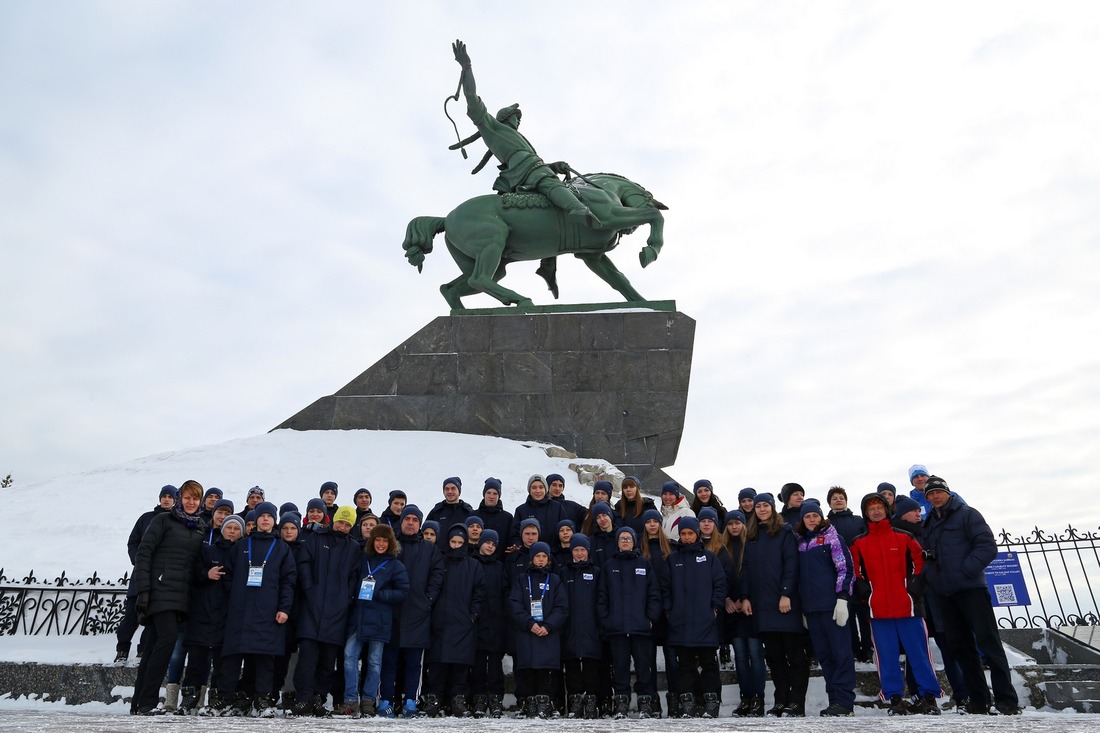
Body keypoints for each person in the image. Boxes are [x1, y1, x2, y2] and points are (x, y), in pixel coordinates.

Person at [451, 39, 601, 228]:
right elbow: (472, 98)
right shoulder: (493, 128)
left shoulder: (518, 138)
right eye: (516, 117)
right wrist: (467, 66)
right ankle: (579, 210)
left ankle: (550, 255)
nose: (518, 121)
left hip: (531, 168)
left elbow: (532, 164)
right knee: (550, 184)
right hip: (526, 170)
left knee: (547, 190)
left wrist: (554, 166)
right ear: (506, 117)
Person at [921, 476, 1020, 715]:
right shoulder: (928, 523)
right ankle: (978, 700)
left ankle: (1006, 700)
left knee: (989, 643)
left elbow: (987, 547)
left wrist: (966, 570)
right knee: (961, 648)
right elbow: (928, 556)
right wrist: (933, 578)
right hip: (945, 593)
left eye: (938, 492)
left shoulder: (967, 514)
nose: (935, 496)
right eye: (930, 494)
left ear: (947, 492)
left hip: (971, 589)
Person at [849, 492, 941, 715]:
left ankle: (928, 697)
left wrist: (914, 591)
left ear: (887, 510)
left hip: (908, 608)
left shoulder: (905, 537)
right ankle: (895, 699)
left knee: (919, 654)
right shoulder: (859, 543)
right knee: (886, 656)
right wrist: (867, 595)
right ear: (866, 514)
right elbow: (854, 573)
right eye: (871, 509)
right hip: (878, 610)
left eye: (879, 507)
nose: (876, 511)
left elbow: (921, 564)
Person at [130, 480, 206, 715]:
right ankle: (149, 702)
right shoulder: (163, 520)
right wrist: (143, 590)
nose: (191, 502)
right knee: (166, 641)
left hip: (180, 596)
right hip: (159, 591)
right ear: (178, 498)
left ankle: (139, 703)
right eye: (187, 497)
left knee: (154, 646)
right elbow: (144, 553)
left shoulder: (199, 527)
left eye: (195, 498)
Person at [216, 501, 297, 717]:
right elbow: (228, 575)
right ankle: (224, 699)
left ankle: (262, 701)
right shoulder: (242, 546)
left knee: (264, 660)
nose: (265, 519)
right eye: (262, 516)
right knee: (232, 658)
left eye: (270, 516)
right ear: (256, 519)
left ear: (274, 520)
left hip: (268, 612)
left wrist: (284, 608)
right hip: (240, 610)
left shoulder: (282, 549)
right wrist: (234, 596)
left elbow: (289, 581)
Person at [740, 492, 807, 717]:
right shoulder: (751, 536)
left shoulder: (785, 532)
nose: (761, 509)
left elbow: (792, 564)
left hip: (785, 604)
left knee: (795, 657)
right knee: (775, 658)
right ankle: (781, 700)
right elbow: (746, 570)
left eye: (765, 505)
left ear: (772, 508)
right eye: (758, 506)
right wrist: (746, 596)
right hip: (763, 606)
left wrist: (786, 593)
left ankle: (797, 702)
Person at [380, 505, 445, 719]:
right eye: (407, 518)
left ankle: (410, 701)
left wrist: (428, 600)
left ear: (419, 523)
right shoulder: (391, 545)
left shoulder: (429, 548)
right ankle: (386, 701)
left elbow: (437, 575)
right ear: (401, 521)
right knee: (389, 661)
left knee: (413, 663)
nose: (410, 522)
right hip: (392, 612)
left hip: (418, 613)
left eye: (414, 520)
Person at [297, 505, 361, 718]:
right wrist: (309, 588)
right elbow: (304, 563)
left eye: (347, 524)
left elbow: (354, 575)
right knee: (307, 657)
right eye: (340, 522)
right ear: (333, 521)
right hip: (312, 607)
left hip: (337, 611)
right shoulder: (316, 539)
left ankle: (318, 698)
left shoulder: (353, 547)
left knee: (327, 660)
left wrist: (347, 597)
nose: (342, 526)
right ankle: (303, 698)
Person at [794, 501, 857, 717]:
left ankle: (845, 701)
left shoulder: (832, 538)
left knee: (841, 654)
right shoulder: (801, 543)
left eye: (815, 515)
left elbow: (845, 568)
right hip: (812, 609)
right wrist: (803, 607)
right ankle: (834, 700)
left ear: (821, 517)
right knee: (825, 656)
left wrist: (842, 598)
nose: (812, 520)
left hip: (833, 606)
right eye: (807, 516)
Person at [178, 514, 243, 715]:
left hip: (227, 617)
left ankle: (217, 699)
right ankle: (189, 699)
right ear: (221, 529)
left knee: (222, 664)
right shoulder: (207, 551)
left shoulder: (243, 554)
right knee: (196, 662)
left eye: (236, 528)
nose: (231, 531)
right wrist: (207, 574)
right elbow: (192, 574)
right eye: (228, 527)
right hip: (202, 614)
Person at [342, 524, 409, 719]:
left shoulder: (396, 565)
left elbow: (403, 591)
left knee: (374, 662)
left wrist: (382, 594)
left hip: (380, 619)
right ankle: (351, 700)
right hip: (359, 617)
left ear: (390, 543)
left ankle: (369, 701)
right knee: (349, 656)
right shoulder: (364, 560)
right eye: (377, 540)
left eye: (384, 541)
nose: (380, 544)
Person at [664, 516, 726, 718]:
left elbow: (720, 584)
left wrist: (715, 608)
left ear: (697, 534)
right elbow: (664, 588)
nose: (687, 537)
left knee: (709, 663)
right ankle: (688, 702)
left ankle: (711, 701)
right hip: (680, 622)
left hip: (705, 621)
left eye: (690, 533)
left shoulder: (709, 558)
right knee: (686, 665)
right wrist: (670, 611)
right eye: (683, 534)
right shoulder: (672, 560)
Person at [421, 523, 485, 717]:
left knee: (460, 666)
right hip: (440, 621)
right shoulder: (439, 561)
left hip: (464, 623)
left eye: (460, 542)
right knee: (437, 664)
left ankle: (458, 699)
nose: (456, 545)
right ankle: (434, 698)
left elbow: (479, 593)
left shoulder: (473, 565)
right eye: (453, 541)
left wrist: (472, 615)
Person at [598, 527, 661, 719]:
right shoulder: (609, 566)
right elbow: (602, 597)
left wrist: (650, 619)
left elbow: (654, 595)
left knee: (644, 668)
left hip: (640, 629)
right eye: (622, 538)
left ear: (634, 541)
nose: (625, 541)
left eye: (628, 538)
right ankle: (621, 705)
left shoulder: (644, 564)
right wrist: (607, 620)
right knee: (620, 668)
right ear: (617, 542)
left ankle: (645, 704)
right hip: (617, 629)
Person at [116, 485, 177, 665]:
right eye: (164, 496)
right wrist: (139, 561)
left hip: (161, 578)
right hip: (141, 575)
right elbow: (133, 542)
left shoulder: (175, 520)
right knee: (131, 616)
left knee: (152, 618)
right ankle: (122, 649)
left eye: (170, 496)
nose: (166, 499)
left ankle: (143, 651)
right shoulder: (146, 518)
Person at [508, 541, 569, 719]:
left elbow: (562, 607)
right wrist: (529, 623)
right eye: (537, 556)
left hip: (547, 633)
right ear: (531, 559)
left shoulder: (555, 580)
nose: (541, 560)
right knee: (526, 670)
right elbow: (514, 604)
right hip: (527, 632)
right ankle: (528, 703)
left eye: (544, 557)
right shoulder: (521, 579)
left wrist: (548, 625)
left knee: (545, 671)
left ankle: (546, 702)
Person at [724, 510, 765, 717]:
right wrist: (728, 599)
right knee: (740, 655)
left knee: (755, 653)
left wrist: (745, 597)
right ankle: (746, 697)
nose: (733, 527)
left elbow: (755, 574)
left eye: (737, 523)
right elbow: (720, 577)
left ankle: (758, 697)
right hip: (732, 610)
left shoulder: (752, 544)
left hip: (751, 606)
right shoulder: (723, 549)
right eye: (730, 523)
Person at [826, 486, 872, 663]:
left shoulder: (858, 520)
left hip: (861, 572)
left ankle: (867, 648)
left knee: (864, 613)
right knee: (847, 614)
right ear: (829, 502)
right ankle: (853, 648)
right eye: (834, 498)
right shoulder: (826, 523)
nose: (838, 500)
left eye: (841, 497)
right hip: (839, 575)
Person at [560, 534, 602, 719]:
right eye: (576, 550)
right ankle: (575, 701)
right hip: (570, 627)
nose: (579, 553)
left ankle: (592, 701)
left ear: (588, 552)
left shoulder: (596, 572)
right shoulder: (564, 572)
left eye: (582, 550)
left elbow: (601, 599)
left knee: (592, 665)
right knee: (572, 666)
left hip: (591, 626)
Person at [471, 529, 508, 718]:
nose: (490, 546)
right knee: (477, 664)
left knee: (495, 665)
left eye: (493, 544)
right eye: (487, 543)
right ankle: (478, 698)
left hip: (496, 622)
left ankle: (495, 700)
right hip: (476, 621)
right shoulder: (472, 563)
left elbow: (505, 593)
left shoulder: (500, 567)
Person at [511, 474, 568, 547]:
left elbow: (565, 529)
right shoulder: (521, 510)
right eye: (534, 488)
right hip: (529, 554)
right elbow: (515, 535)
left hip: (553, 553)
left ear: (546, 489)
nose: (538, 491)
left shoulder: (557, 507)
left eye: (541, 487)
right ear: (529, 490)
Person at [476, 478, 513, 561]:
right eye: (488, 493)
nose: (491, 496)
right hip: (476, 563)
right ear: (484, 494)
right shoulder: (474, 516)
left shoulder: (507, 518)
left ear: (499, 496)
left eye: (495, 494)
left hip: (499, 563)